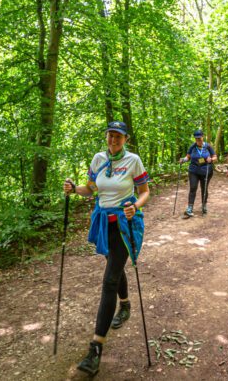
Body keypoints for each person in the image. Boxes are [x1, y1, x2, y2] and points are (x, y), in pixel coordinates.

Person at [63, 121, 150, 377]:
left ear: (125, 139)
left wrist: (136, 206)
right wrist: (73, 189)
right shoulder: (98, 158)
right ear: (106, 136)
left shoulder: (134, 160)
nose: (114, 140)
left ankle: (96, 347)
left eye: (119, 136)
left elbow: (144, 191)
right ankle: (125, 305)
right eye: (111, 135)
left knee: (109, 279)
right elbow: (90, 189)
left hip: (125, 224)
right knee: (114, 265)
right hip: (103, 224)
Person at [178, 129, 218, 218]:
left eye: (199, 138)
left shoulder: (208, 146)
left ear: (202, 137)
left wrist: (211, 159)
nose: (198, 140)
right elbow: (188, 157)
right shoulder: (192, 147)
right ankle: (190, 208)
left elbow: (215, 157)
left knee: (204, 188)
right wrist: (183, 160)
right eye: (196, 139)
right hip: (194, 171)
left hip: (206, 170)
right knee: (193, 187)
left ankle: (204, 206)